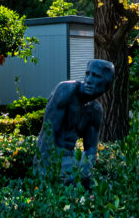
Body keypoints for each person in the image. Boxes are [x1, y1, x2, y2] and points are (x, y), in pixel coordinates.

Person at [35, 58, 115, 186]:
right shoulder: (66, 91)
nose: (88, 80)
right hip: (50, 159)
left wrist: (86, 169)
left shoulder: (95, 111)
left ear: (107, 84)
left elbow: (91, 149)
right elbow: (47, 135)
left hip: (70, 161)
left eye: (96, 76)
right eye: (88, 74)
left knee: (106, 187)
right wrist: (44, 175)